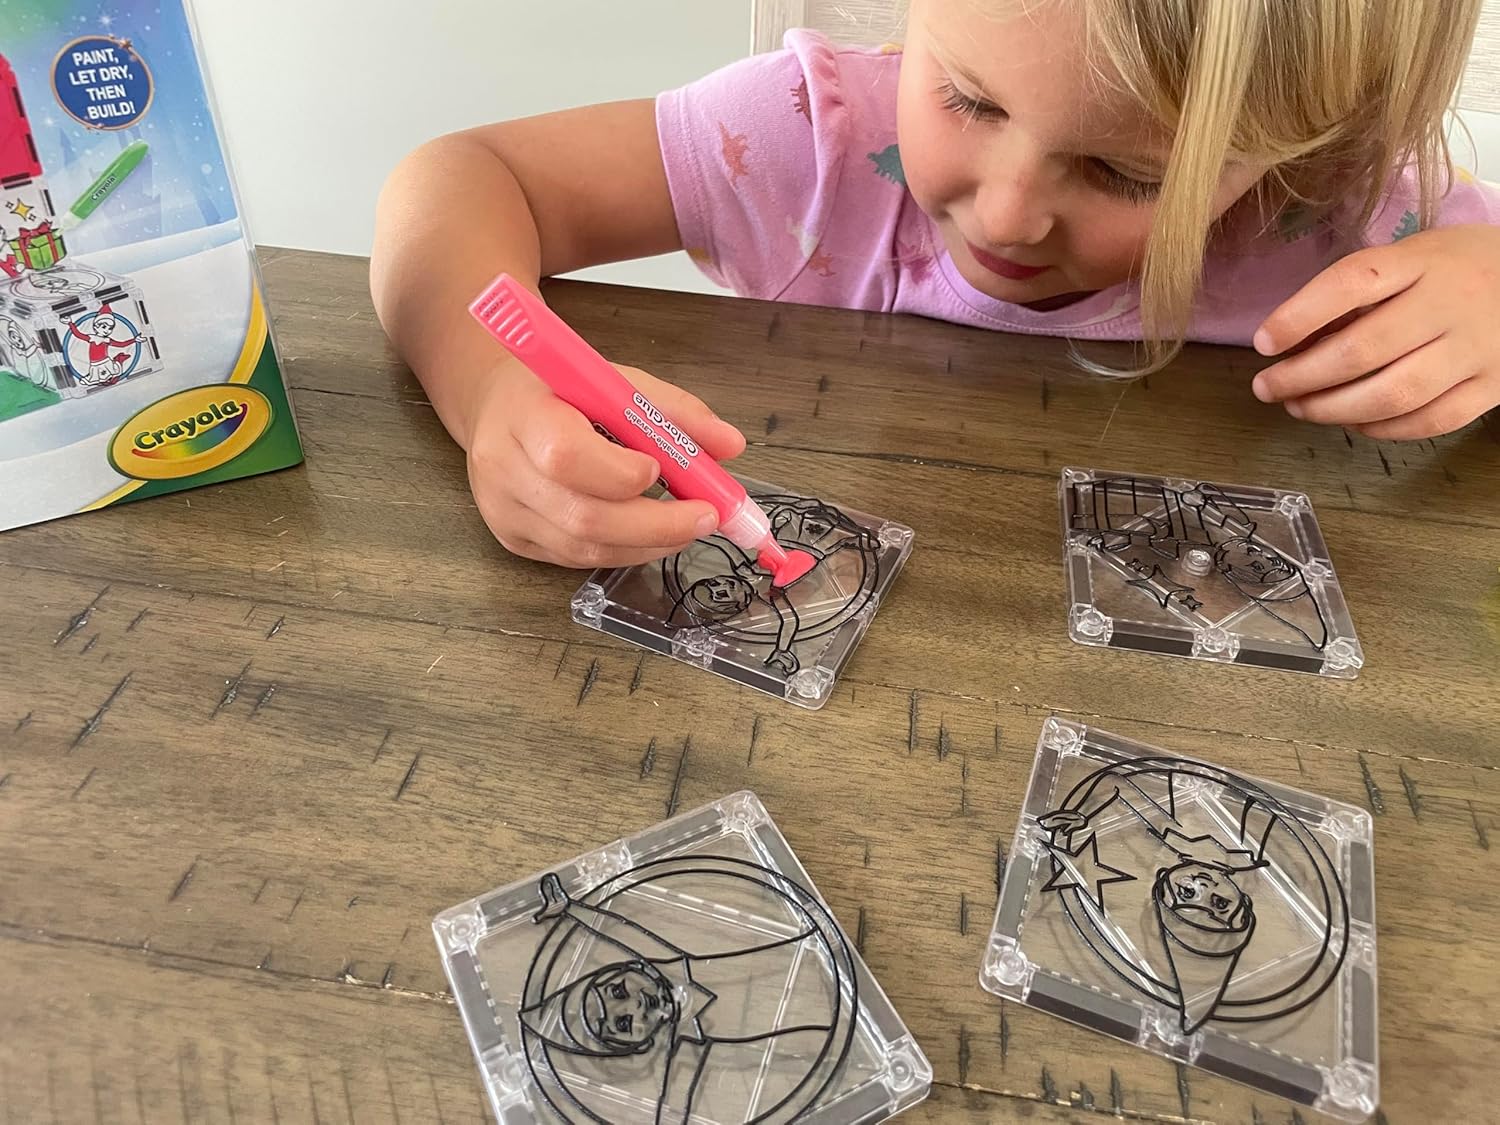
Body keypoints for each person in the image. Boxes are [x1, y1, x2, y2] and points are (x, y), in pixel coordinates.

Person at [371, 0, 1499, 571]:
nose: (1005, 214)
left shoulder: (1357, 222)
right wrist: (489, 391)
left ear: (1307, 150)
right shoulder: (806, 141)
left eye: (1128, 173)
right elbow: (461, 177)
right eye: (968, 99)